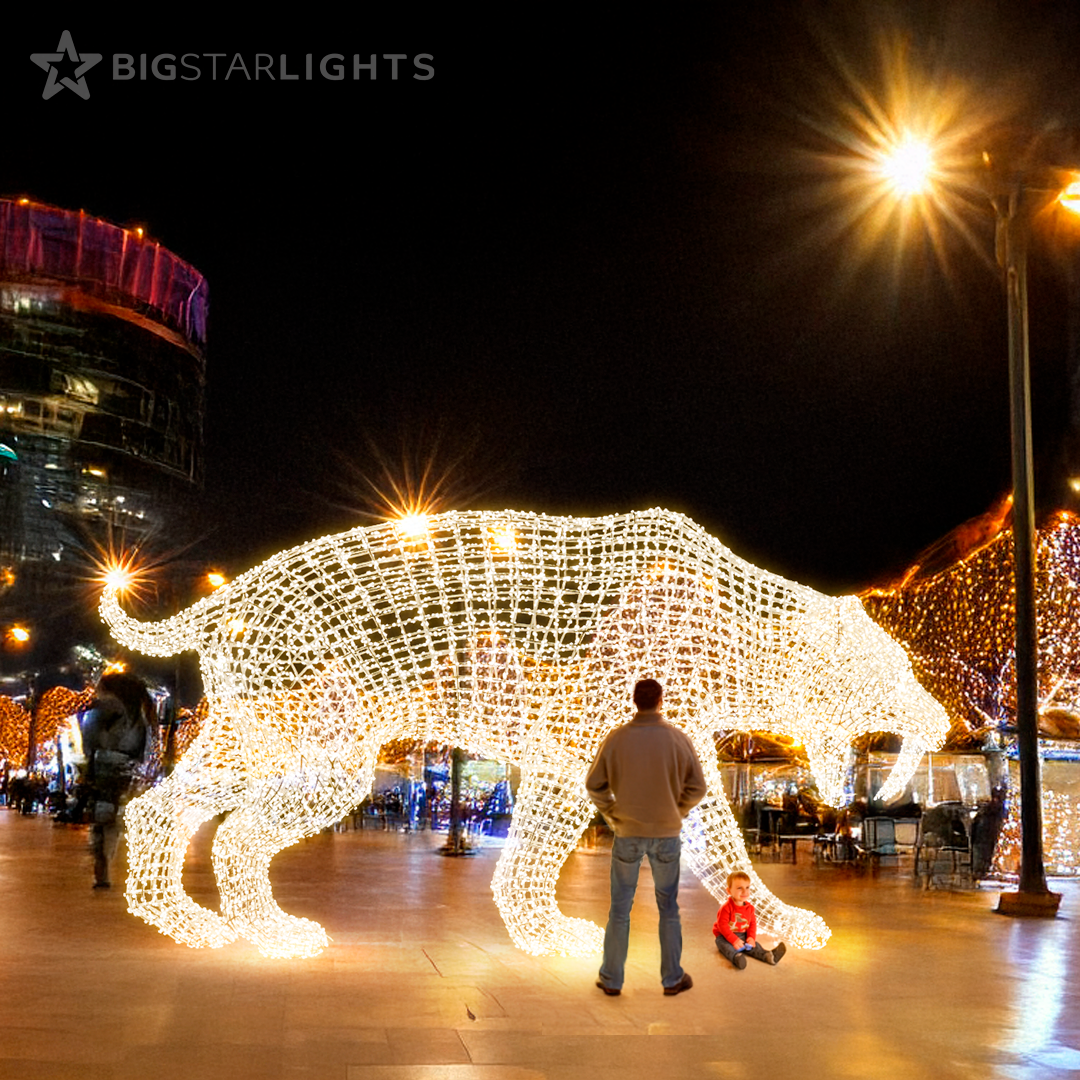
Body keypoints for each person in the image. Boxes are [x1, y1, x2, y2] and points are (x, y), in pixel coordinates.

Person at [585, 678, 706, 996]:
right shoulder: (678, 739)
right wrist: (676, 811)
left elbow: (594, 784)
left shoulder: (617, 739)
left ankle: (611, 978)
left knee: (620, 908)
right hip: (667, 833)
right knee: (668, 907)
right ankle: (672, 978)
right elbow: (698, 787)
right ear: (660, 701)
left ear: (634, 701)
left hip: (628, 833)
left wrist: (612, 813)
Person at [79, 672, 156, 888]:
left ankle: (101, 866)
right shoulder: (139, 714)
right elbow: (145, 748)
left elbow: (90, 738)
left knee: (101, 820)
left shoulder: (104, 706)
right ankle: (104, 862)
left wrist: (89, 762)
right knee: (111, 820)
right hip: (127, 771)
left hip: (103, 766)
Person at [713, 870, 786, 969]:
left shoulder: (750, 908)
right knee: (724, 945)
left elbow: (752, 924)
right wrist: (734, 940)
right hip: (725, 936)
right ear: (729, 891)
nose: (745, 891)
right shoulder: (726, 908)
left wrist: (751, 938)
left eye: (747, 887)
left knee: (755, 946)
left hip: (743, 935)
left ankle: (768, 956)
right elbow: (722, 926)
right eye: (739, 888)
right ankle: (736, 958)